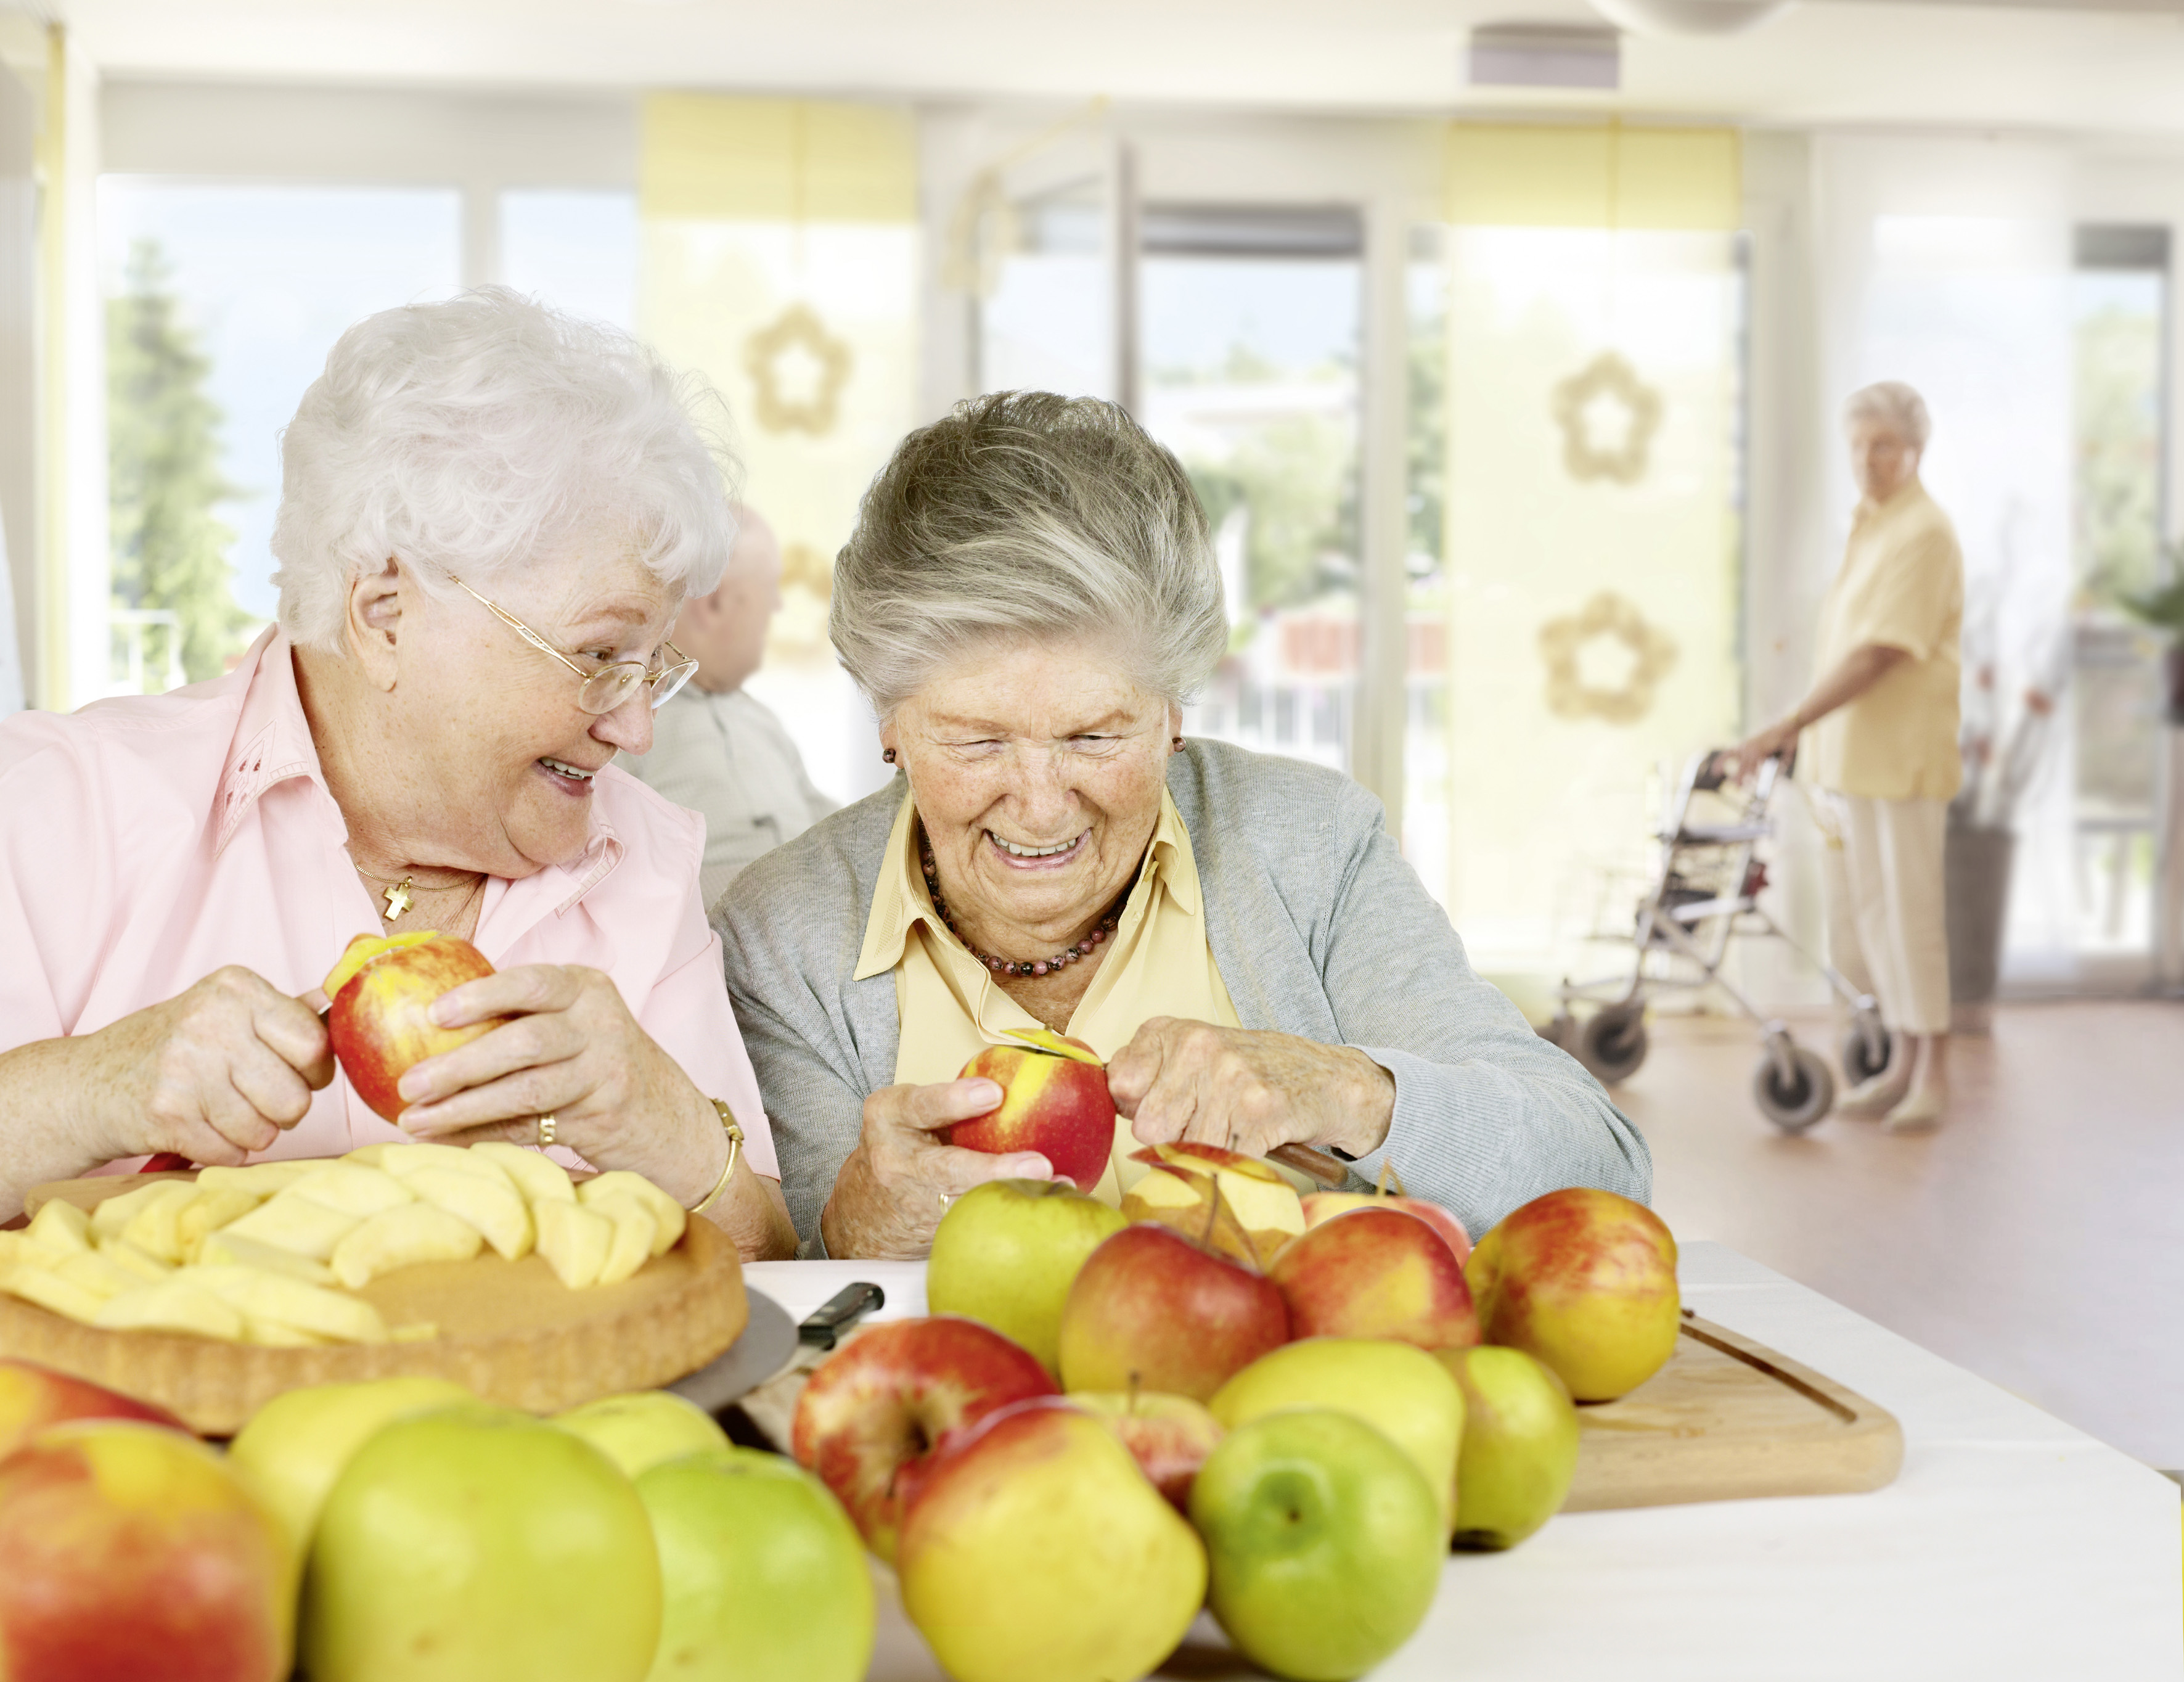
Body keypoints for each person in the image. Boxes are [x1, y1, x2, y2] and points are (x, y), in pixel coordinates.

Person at [714, 391, 1650, 1258]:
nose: (1039, 803)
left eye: (1094, 735)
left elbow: (1600, 1174)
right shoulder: (783, 932)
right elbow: (782, 1282)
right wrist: (851, 1224)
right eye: (974, 740)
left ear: (1174, 712)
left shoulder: (1310, 848)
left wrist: (1344, 1090)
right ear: (889, 724)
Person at [0, 287, 798, 1257]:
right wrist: (91, 1090)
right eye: (598, 658)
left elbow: (763, 1268)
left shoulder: (643, 864)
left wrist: (663, 1126)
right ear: (386, 617)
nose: (635, 727)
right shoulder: (58, 805)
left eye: (652, 667)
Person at [1730, 381, 1962, 1133]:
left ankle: (1935, 1073)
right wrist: (1804, 731)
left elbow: (1881, 654)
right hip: (1854, 759)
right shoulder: (1872, 526)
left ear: (1916, 449)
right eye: (1859, 445)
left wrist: (1787, 720)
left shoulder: (1924, 532)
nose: (1870, 459)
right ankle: (1899, 1064)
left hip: (1901, 759)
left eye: (1885, 445)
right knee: (1872, 919)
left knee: (1911, 916)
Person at [620, 507, 838, 909]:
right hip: (724, 934)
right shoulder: (626, 722)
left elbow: (839, 829)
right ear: (716, 603)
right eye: (769, 590)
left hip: (822, 920)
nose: (776, 607)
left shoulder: (760, 719)